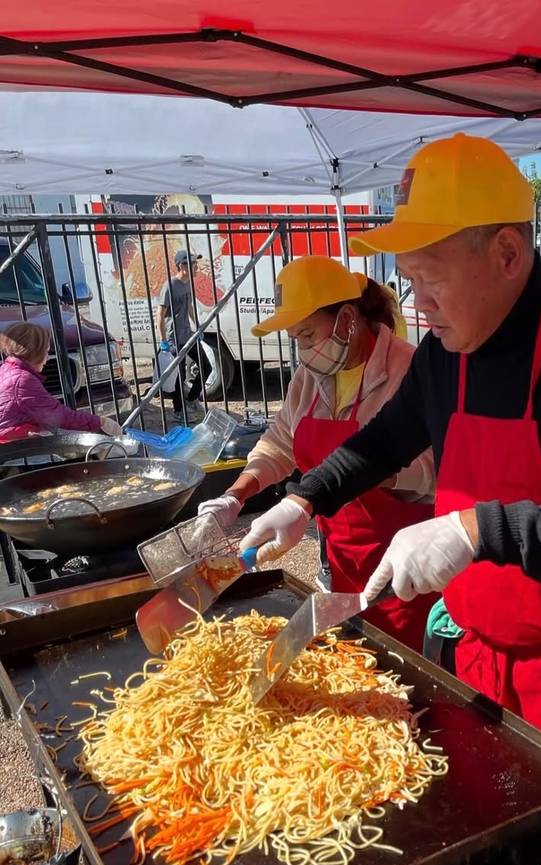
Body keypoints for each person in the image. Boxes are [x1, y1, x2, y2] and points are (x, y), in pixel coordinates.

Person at [238, 134, 541, 805]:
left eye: (433, 279)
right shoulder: (441, 357)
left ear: (507, 254)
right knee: (479, 830)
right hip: (477, 658)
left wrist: (479, 530)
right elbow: (381, 442)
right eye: (410, 282)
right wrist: (301, 500)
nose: (418, 304)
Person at [199, 255, 436, 651]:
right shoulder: (311, 376)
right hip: (340, 559)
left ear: (347, 319)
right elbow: (278, 442)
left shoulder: (408, 369)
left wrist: (362, 468)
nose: (302, 349)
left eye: (307, 334)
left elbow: (432, 470)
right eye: (295, 338)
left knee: (405, 676)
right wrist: (234, 496)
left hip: (403, 562)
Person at [0, 323, 122, 442]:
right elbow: (59, 416)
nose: (47, 358)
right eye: (46, 351)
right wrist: (100, 422)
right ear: (36, 352)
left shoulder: (7, 369)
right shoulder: (22, 380)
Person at [156, 249, 206, 423]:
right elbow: (160, 315)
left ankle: (191, 400)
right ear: (182, 266)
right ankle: (178, 410)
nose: (196, 268)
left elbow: (189, 306)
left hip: (187, 334)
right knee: (180, 376)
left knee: (206, 366)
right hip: (174, 338)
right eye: (193, 265)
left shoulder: (187, 284)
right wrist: (163, 341)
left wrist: (197, 326)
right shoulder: (169, 286)